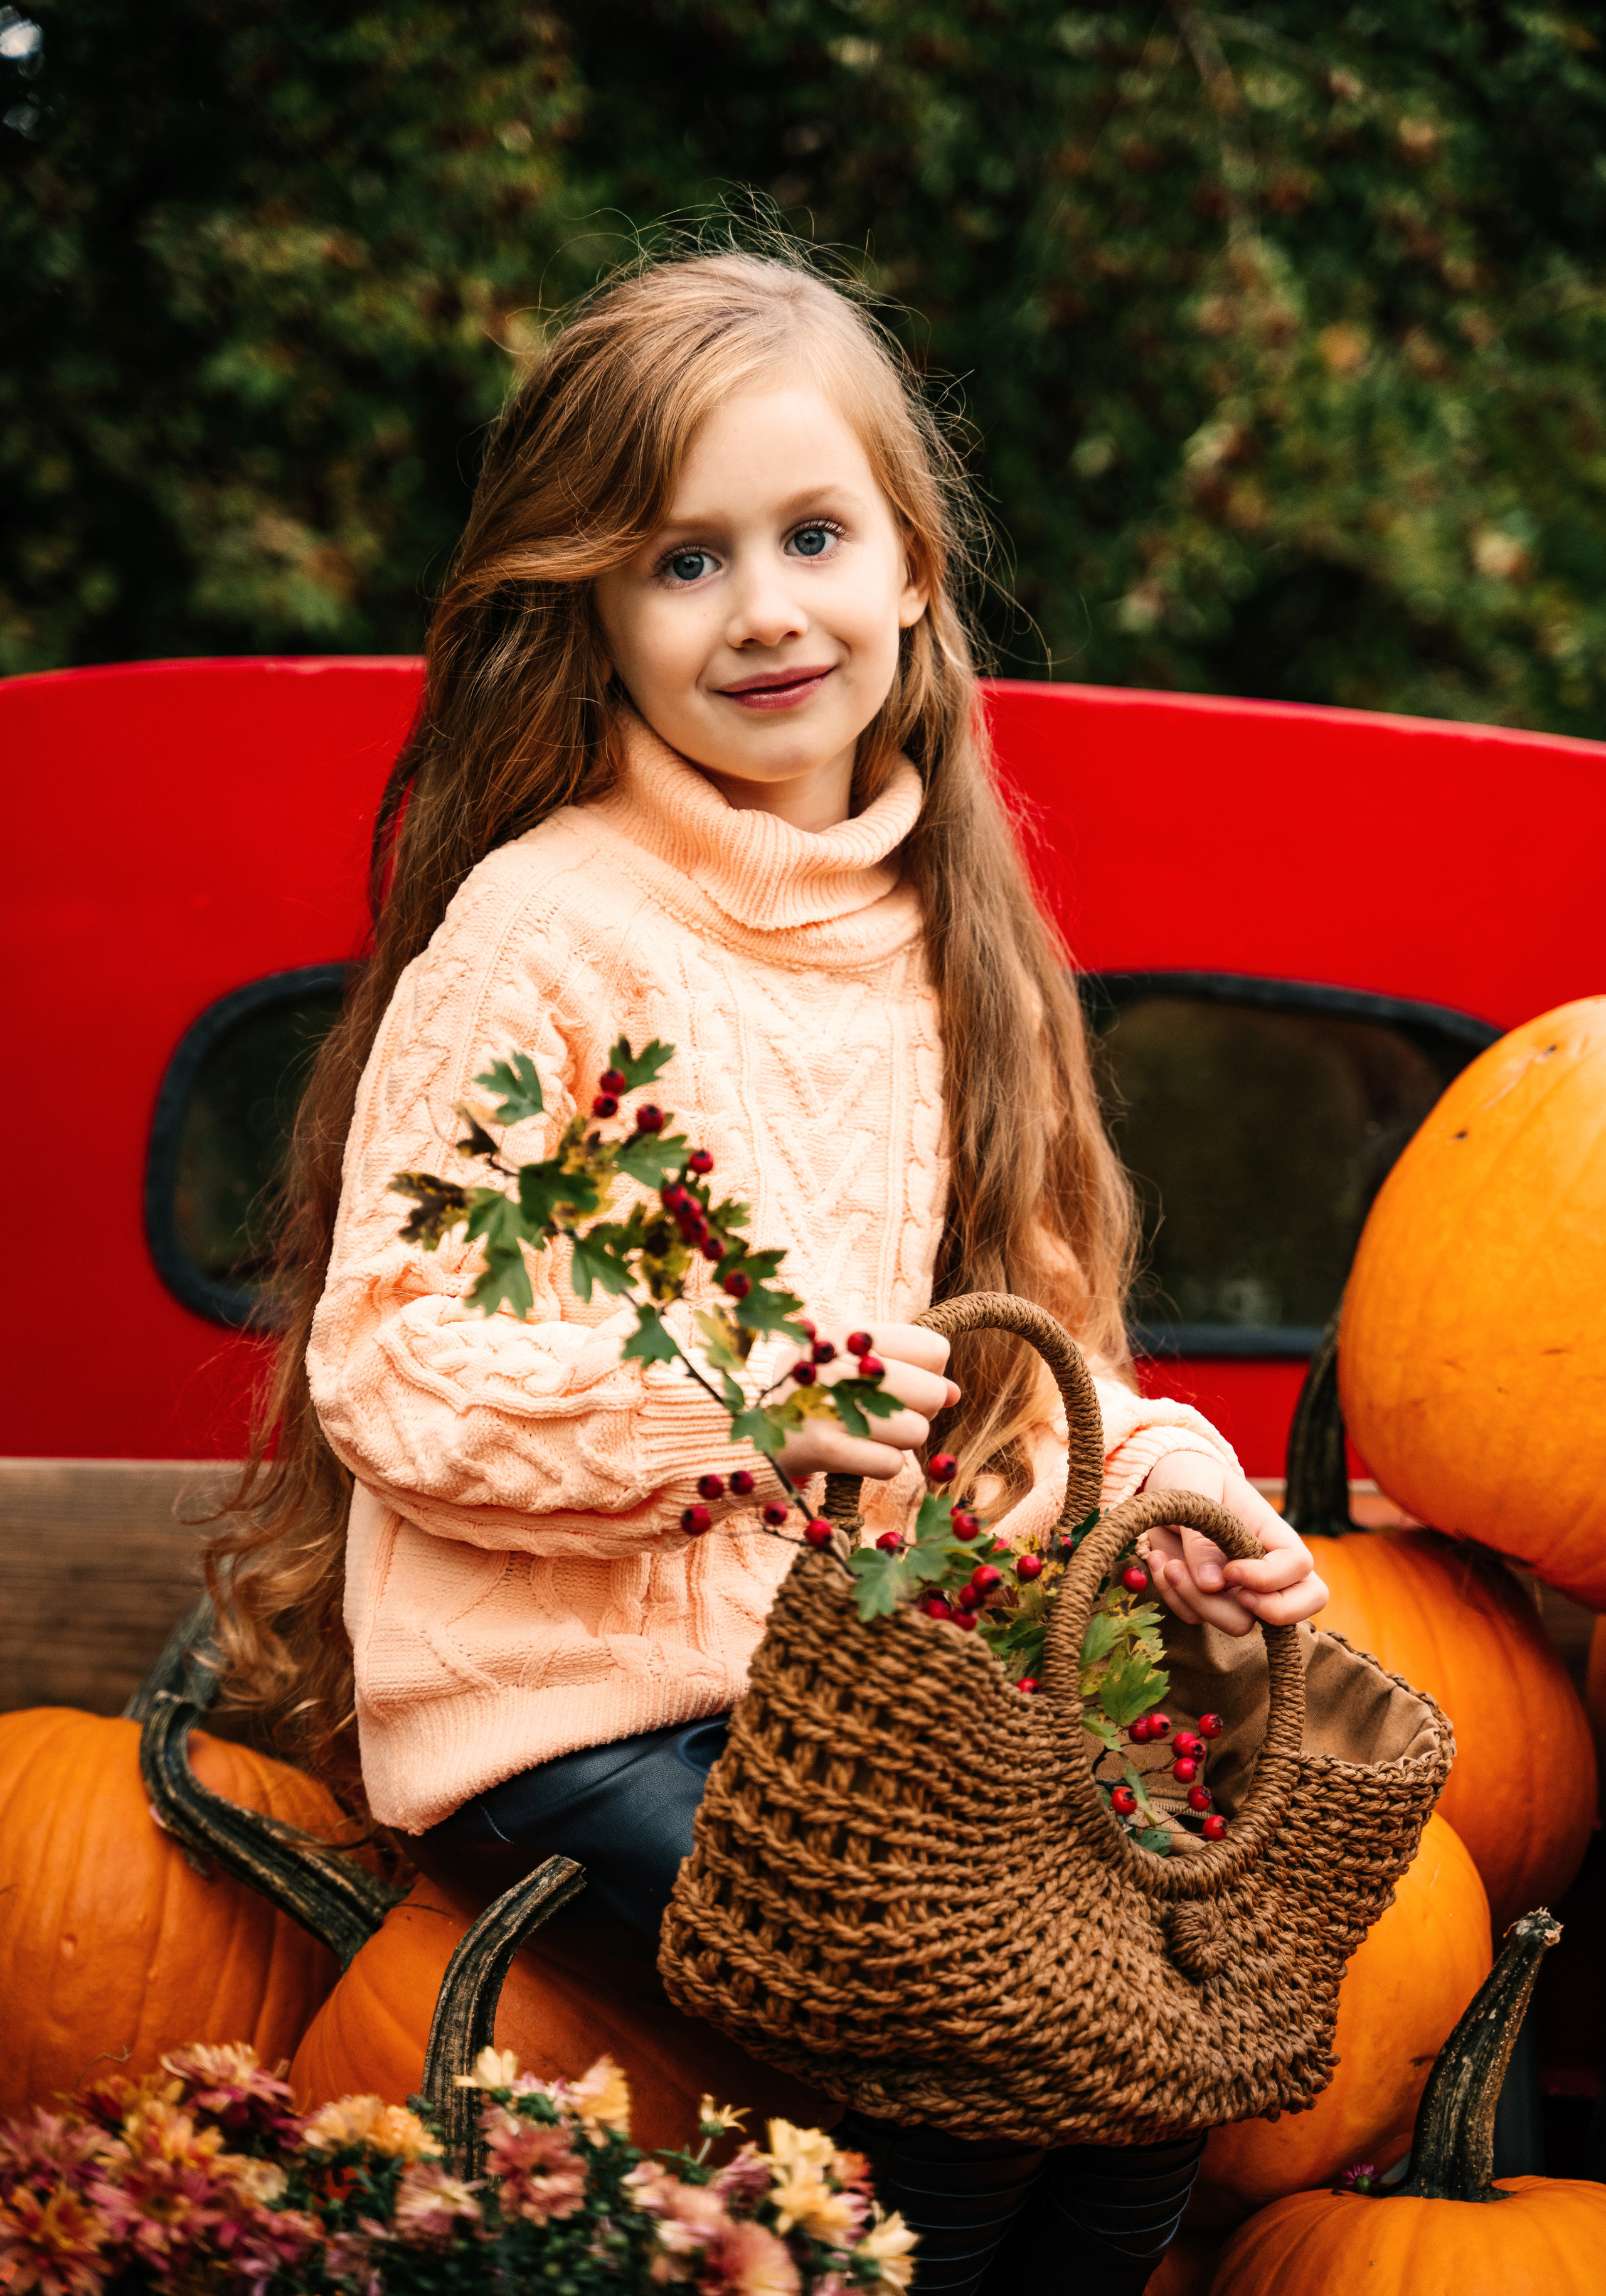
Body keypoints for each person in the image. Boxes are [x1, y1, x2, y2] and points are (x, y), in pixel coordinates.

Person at [210, 247, 1327, 2293]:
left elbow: (1031, 1371)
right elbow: (391, 1361)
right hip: (566, 1709)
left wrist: (1174, 1490)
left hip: (857, 1707)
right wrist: (754, 1416)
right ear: (599, 616)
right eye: (682, 562)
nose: (765, 610)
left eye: (812, 536)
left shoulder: (954, 941)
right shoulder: (548, 932)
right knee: (955, 2048)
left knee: (1153, 2066)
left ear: (911, 568)